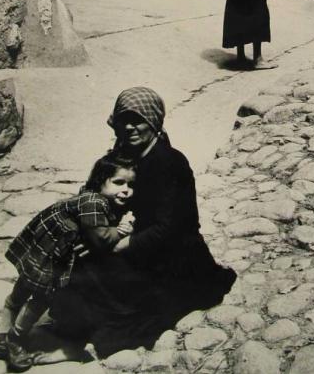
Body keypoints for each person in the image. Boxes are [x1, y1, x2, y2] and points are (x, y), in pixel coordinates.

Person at [48, 87, 236, 359]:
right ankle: (76, 327)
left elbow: (169, 229)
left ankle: (87, 340)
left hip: (171, 255)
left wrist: (114, 246)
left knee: (119, 290)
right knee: (74, 260)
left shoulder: (170, 163)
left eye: (139, 120)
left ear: (153, 121)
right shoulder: (123, 152)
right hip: (129, 238)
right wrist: (91, 233)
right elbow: (94, 191)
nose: (130, 127)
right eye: (124, 120)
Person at [0, 154, 136, 371]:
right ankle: (15, 339)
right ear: (100, 181)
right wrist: (121, 231)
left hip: (43, 247)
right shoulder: (94, 202)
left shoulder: (88, 195)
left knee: (20, 290)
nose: (126, 190)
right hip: (53, 255)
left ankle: (1, 338)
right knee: (41, 296)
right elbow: (101, 239)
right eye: (119, 182)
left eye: (131, 184)